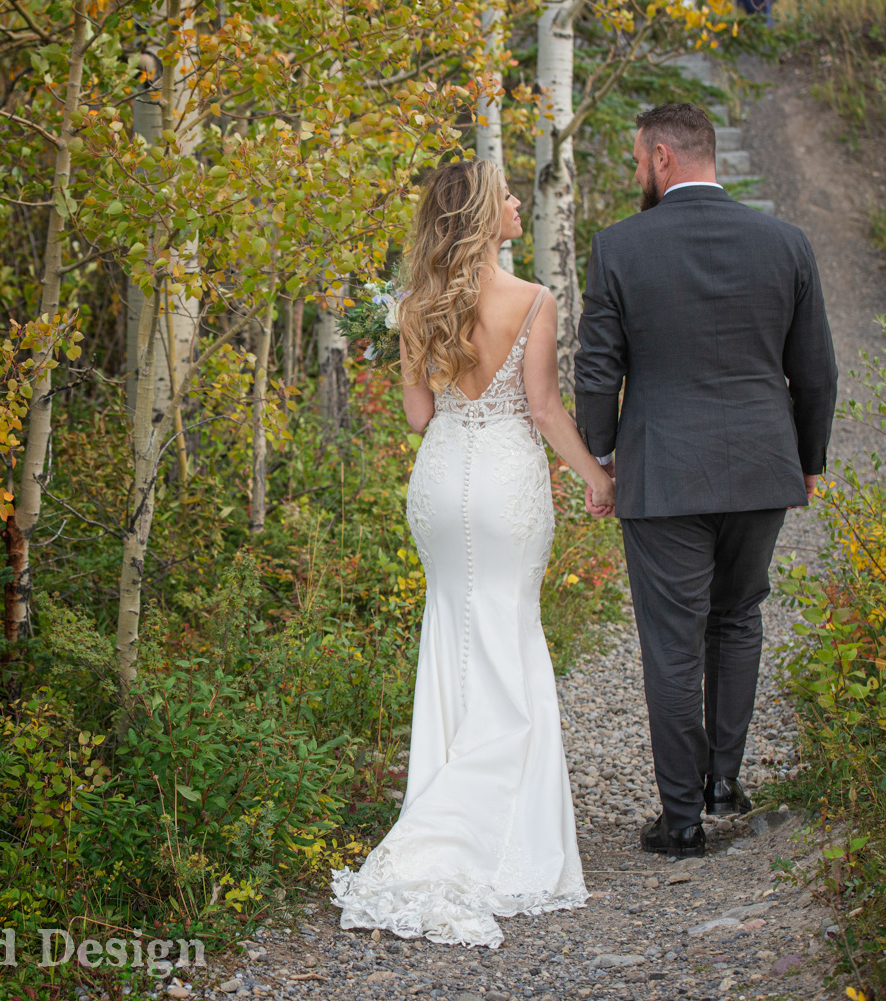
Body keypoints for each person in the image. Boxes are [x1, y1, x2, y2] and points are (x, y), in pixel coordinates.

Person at [329, 158, 616, 948]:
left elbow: (419, 417)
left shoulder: (418, 305)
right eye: (509, 195)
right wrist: (597, 475)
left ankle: (443, 797)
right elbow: (547, 408)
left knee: (452, 633)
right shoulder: (535, 300)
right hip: (504, 484)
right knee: (509, 635)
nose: (521, 202)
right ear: (487, 215)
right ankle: (497, 831)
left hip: (440, 479)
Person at [574, 103, 837, 857]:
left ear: (661, 157)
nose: (636, 173)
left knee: (672, 641)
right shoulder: (786, 243)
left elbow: (599, 369)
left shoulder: (619, 247)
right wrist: (808, 460)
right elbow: (816, 371)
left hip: (663, 473)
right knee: (738, 615)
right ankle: (725, 779)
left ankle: (683, 818)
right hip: (761, 467)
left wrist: (603, 454)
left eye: (635, 160)